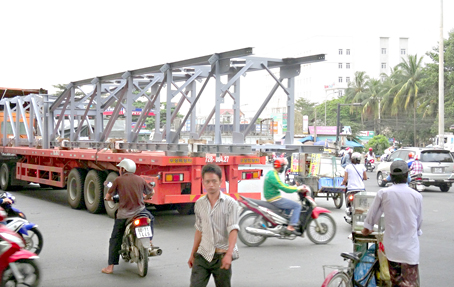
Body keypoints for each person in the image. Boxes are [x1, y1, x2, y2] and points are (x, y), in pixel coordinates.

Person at [362, 160, 423, 286]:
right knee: (410, 283)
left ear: (391, 176)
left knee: (395, 282)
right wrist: (416, 231)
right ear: (407, 175)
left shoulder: (384, 193)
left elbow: (373, 214)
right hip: (410, 250)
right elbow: (418, 222)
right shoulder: (416, 196)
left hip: (392, 249)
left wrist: (367, 229)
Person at [188, 164, 239, 287]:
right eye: (207, 181)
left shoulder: (231, 204)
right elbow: (199, 230)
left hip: (221, 256)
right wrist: (192, 254)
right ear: (203, 183)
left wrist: (228, 254)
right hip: (203, 255)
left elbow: (233, 229)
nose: (211, 184)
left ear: (220, 182)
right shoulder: (199, 204)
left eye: (214, 181)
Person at [101, 158, 155, 274]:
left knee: (115, 239)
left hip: (124, 215)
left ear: (123, 169)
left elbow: (108, 195)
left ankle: (110, 267)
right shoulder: (140, 179)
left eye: (120, 168)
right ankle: (149, 241)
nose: (119, 170)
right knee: (151, 219)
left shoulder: (118, 180)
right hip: (140, 212)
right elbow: (152, 192)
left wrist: (108, 198)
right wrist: (146, 198)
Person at [263, 158, 307, 235]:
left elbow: (283, 185)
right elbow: (284, 188)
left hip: (272, 197)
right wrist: (297, 189)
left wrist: (293, 186)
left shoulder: (271, 173)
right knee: (297, 206)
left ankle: (285, 222)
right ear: (281, 166)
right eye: (283, 166)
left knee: (289, 205)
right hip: (275, 199)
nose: (284, 168)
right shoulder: (274, 175)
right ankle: (291, 226)